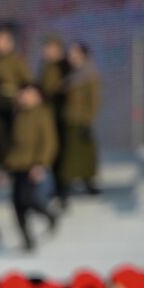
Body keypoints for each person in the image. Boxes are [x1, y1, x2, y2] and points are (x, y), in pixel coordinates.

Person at [3, 85, 58, 252]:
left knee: (27, 200)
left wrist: (41, 163)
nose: (25, 98)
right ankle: (27, 240)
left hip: (32, 164)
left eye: (29, 95)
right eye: (23, 95)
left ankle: (49, 215)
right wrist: (6, 166)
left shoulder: (43, 114)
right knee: (16, 205)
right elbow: (12, 144)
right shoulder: (18, 114)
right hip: (16, 165)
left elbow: (49, 141)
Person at [56, 43, 101, 203]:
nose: (71, 56)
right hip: (69, 118)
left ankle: (87, 182)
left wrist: (89, 120)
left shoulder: (89, 73)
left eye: (75, 53)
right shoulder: (71, 74)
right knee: (71, 154)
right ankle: (69, 184)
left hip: (81, 120)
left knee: (83, 154)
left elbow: (94, 99)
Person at [0, 28, 32, 149]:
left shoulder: (17, 60)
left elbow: (27, 82)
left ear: (9, 42)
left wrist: (17, 94)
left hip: (13, 106)